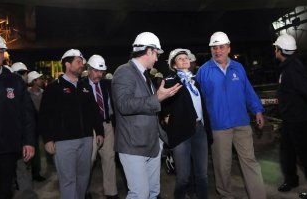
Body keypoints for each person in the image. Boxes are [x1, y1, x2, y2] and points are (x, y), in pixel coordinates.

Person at [196, 31, 266, 199]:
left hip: (241, 122)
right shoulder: (204, 72)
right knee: (222, 166)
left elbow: (248, 91)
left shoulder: (238, 67)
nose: (217, 51)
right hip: (219, 127)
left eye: (221, 47)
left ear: (228, 48)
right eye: (214, 47)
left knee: (250, 162)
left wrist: (257, 110)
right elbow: (198, 101)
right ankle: (226, 195)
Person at [111, 32, 181, 199]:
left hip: (152, 144)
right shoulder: (124, 71)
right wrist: (157, 98)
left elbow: (149, 106)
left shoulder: (145, 77)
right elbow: (124, 104)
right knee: (140, 194)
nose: (157, 58)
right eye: (156, 53)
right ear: (149, 51)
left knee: (153, 192)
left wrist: (160, 138)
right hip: (133, 145)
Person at [39, 49, 104, 199]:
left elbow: (94, 112)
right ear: (68, 65)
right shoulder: (54, 88)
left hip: (86, 139)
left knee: (83, 178)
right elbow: (44, 116)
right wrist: (48, 138)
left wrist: (99, 131)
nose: (82, 65)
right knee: (68, 180)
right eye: (78, 62)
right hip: (64, 142)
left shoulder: (84, 87)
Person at [273, 34, 307, 199]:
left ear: (280, 50)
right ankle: (292, 180)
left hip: (298, 120)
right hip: (290, 118)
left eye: (275, 48)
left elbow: (305, 90)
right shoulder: (287, 66)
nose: (274, 50)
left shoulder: (292, 68)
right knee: (287, 151)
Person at [0, 33, 35, 199]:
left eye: (0, 51)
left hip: (6, 150)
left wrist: (28, 141)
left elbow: (27, 114)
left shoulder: (15, 81)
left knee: (3, 193)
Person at [161, 48, 212, 199]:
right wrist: (165, 115)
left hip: (199, 130)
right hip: (181, 132)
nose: (185, 60)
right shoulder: (170, 81)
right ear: (174, 65)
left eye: (186, 58)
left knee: (202, 174)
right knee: (183, 177)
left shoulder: (195, 81)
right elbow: (163, 103)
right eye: (180, 59)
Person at [83, 55, 119, 199]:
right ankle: (83, 190)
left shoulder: (106, 85)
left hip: (107, 125)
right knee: (89, 160)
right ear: (89, 69)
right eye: (96, 71)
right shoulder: (81, 86)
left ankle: (111, 192)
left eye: (101, 71)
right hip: (90, 128)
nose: (99, 74)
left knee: (109, 158)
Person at [12, 62, 39, 199]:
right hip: (17, 140)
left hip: (16, 140)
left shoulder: (17, 89)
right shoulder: (19, 89)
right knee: (22, 172)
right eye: (26, 73)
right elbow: (29, 115)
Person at [27, 71, 46, 182]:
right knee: (34, 149)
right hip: (32, 125)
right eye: (39, 79)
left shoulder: (44, 93)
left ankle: (37, 171)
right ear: (34, 81)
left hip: (43, 123)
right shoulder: (26, 94)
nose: (41, 80)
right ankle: (34, 172)